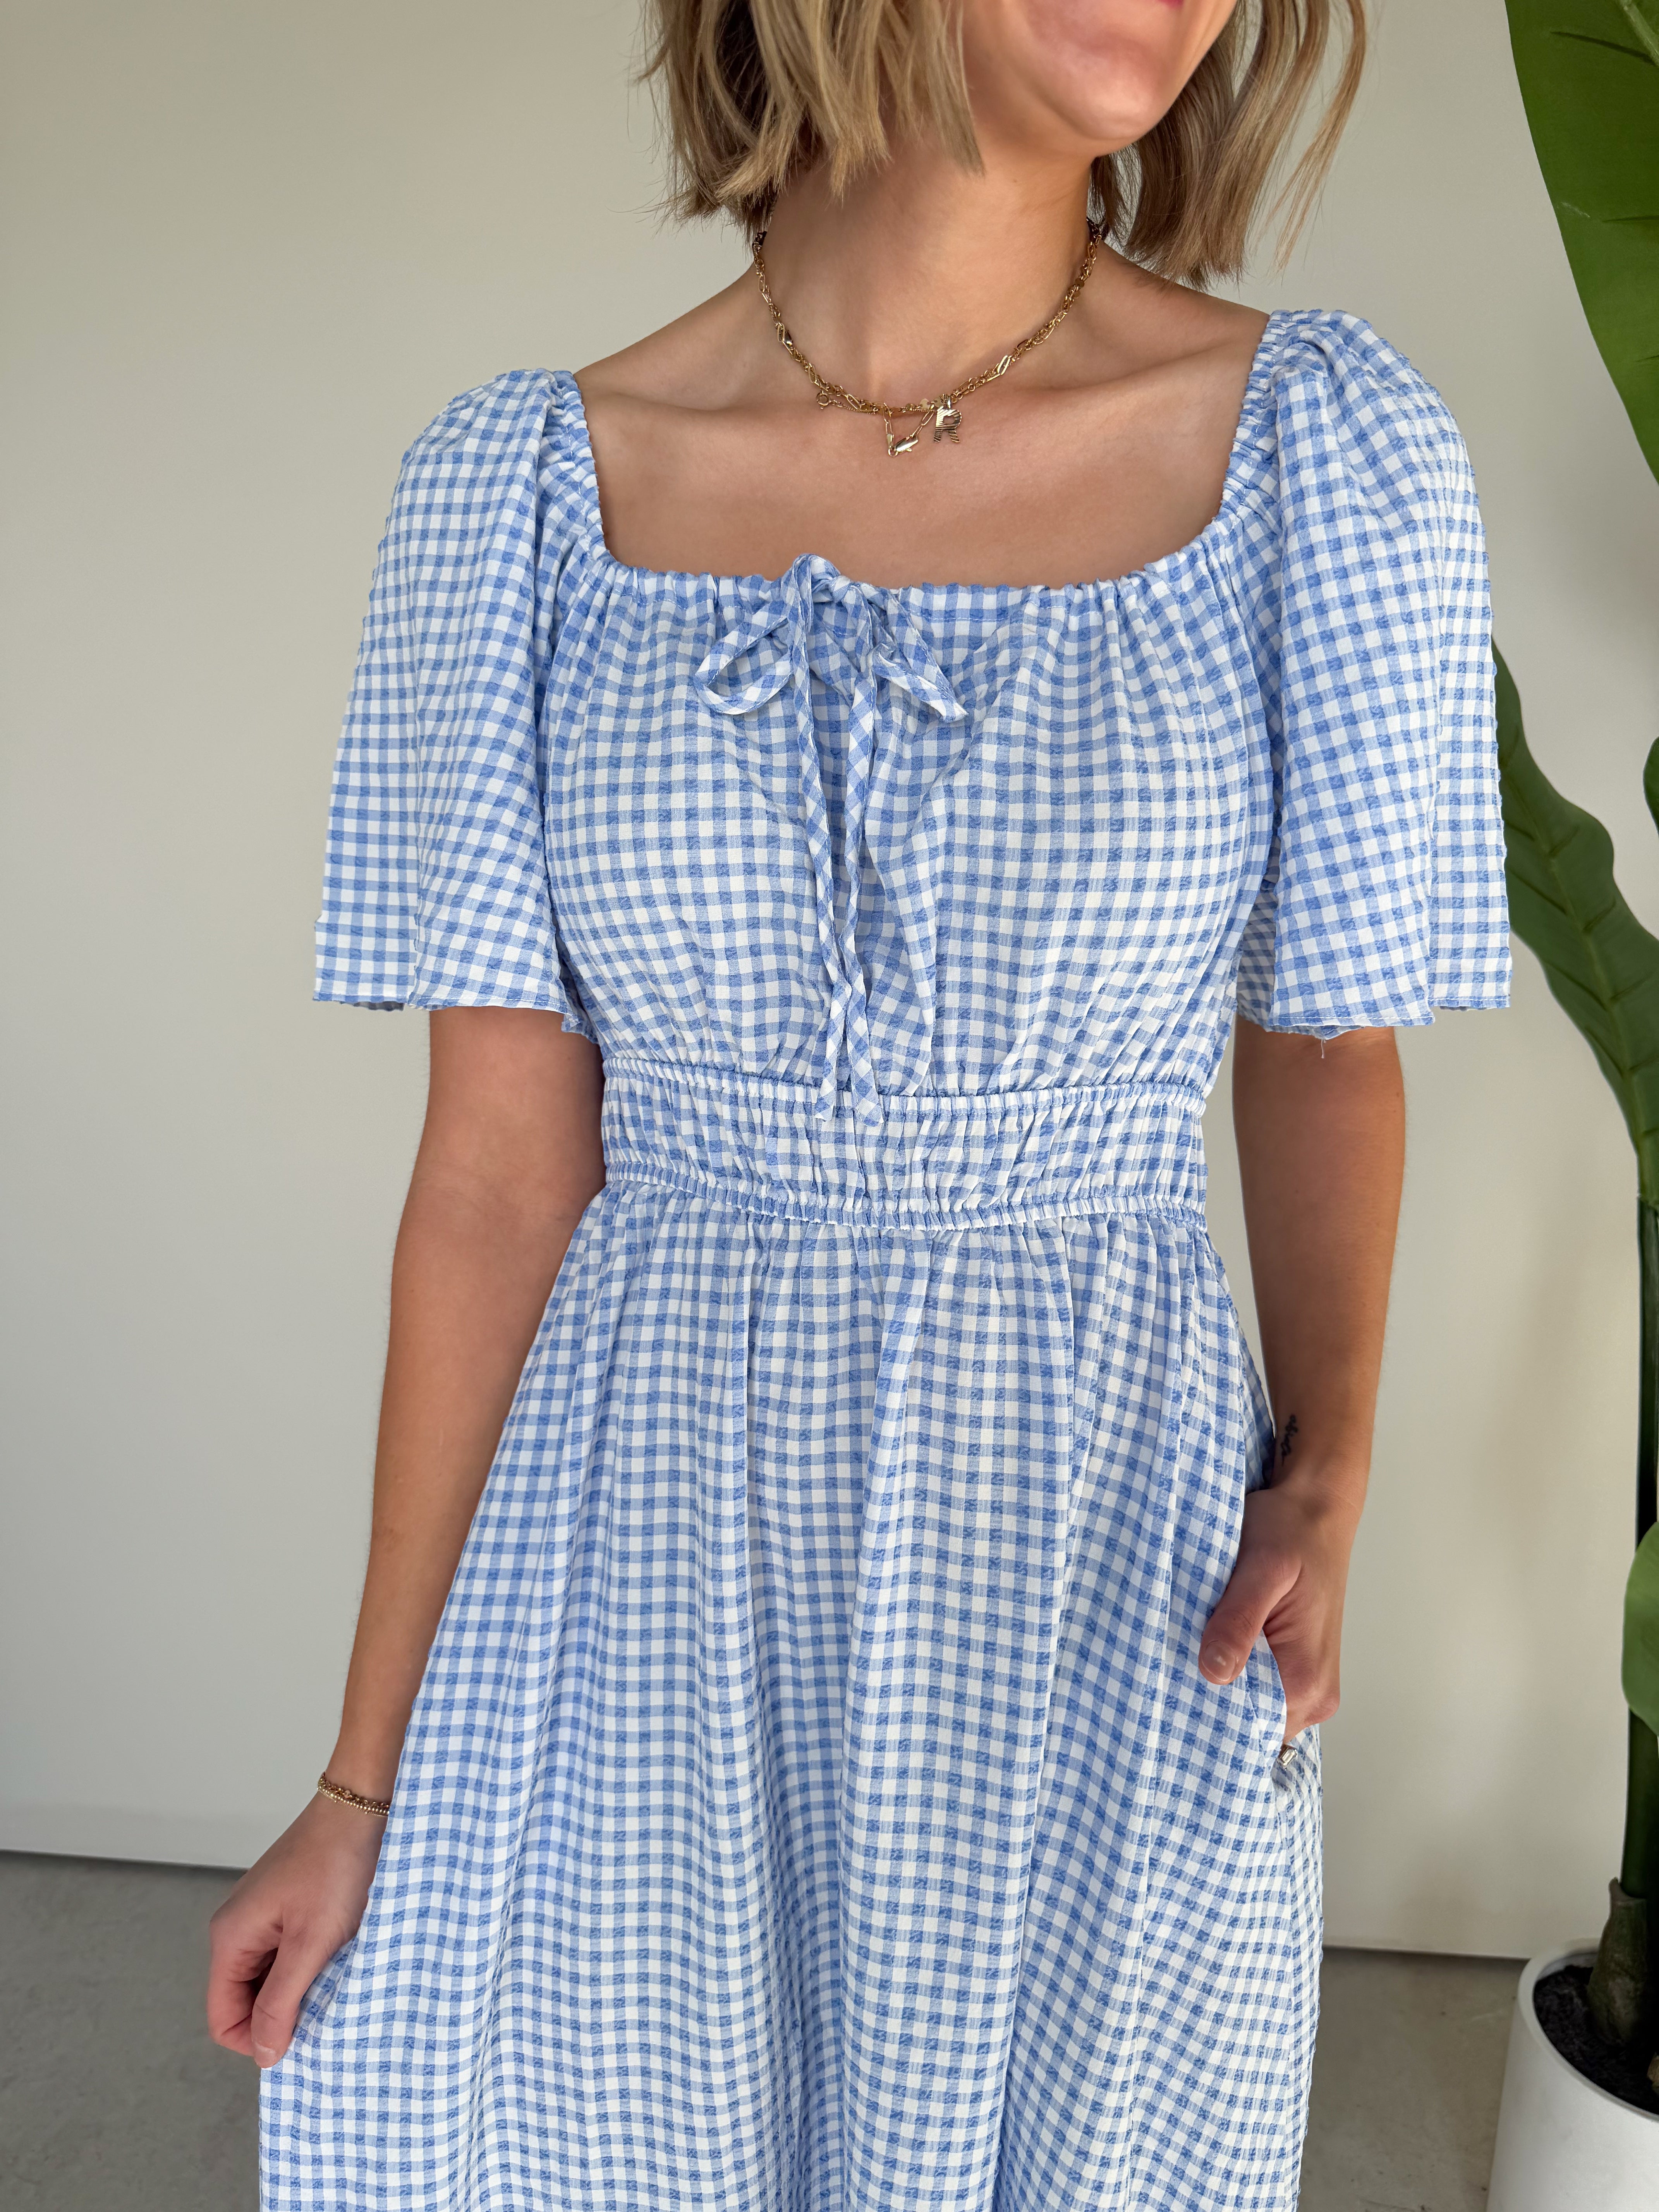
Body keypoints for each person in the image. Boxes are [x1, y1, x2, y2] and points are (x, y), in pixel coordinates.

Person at [208, 0, 1513, 2204]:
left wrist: (1335, 1460)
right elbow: (500, 1177)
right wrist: (359, 1786)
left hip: (1098, 1524)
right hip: (647, 1547)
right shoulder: (520, 495)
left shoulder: (1324, 456)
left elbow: (1326, 1041)